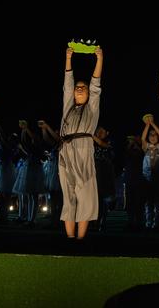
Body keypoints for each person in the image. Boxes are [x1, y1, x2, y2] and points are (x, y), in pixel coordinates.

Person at [59, 46, 103, 240]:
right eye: (78, 86)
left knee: (84, 193)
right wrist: (68, 57)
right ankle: (70, 239)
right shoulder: (69, 106)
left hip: (84, 147)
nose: (79, 88)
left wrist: (99, 59)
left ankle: (81, 239)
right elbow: (67, 85)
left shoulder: (91, 108)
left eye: (82, 87)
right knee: (68, 195)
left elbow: (96, 86)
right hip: (66, 148)